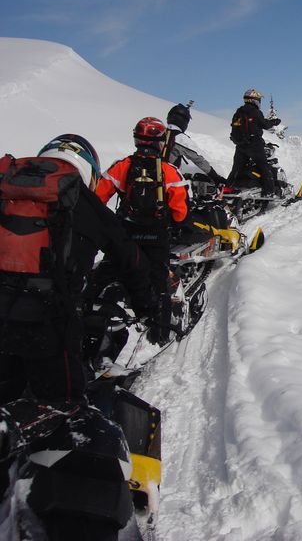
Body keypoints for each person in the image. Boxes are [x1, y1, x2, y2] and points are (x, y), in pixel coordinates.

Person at [0, 135, 153, 406]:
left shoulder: (6, 190)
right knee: (64, 410)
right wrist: (145, 306)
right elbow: (131, 261)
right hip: (47, 326)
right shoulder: (84, 203)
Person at [95, 117, 189, 344]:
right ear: (160, 142)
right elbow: (180, 212)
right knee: (159, 281)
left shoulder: (122, 166)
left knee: (113, 269)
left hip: (125, 234)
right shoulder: (169, 171)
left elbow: (97, 198)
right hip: (156, 236)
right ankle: (161, 331)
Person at [226, 88, 282, 196]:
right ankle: (269, 191)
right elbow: (264, 124)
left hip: (240, 145)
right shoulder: (255, 112)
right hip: (254, 145)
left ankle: (227, 189)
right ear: (254, 100)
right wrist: (274, 122)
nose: (259, 102)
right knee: (264, 167)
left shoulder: (238, 112)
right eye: (258, 100)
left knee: (236, 169)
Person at [164, 102, 227, 185]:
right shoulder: (180, 139)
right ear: (184, 121)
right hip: (168, 181)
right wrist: (215, 177)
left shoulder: (158, 133)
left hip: (152, 176)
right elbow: (198, 159)